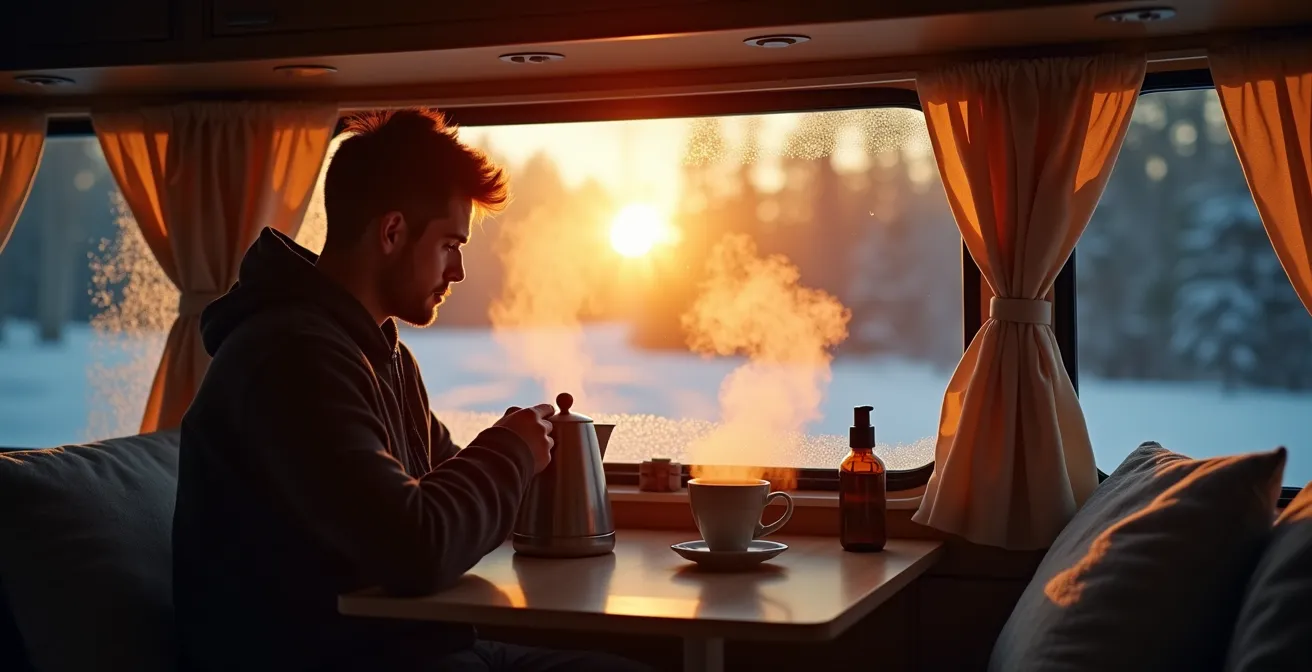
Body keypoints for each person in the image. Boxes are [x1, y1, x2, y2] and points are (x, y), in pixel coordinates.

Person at [174, 109, 651, 672]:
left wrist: (523, 449)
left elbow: (440, 485)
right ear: (393, 231)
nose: (460, 272)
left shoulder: (378, 352)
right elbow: (414, 546)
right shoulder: (293, 359)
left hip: (405, 645)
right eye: (451, 244)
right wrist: (510, 451)